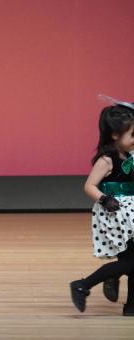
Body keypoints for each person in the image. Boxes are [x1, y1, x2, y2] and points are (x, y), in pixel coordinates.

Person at [70, 100, 134, 316]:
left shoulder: (130, 155)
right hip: (116, 214)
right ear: (115, 135)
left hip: (131, 212)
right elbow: (89, 185)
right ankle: (83, 284)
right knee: (130, 262)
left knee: (130, 261)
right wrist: (105, 199)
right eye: (133, 135)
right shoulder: (107, 160)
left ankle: (131, 306)